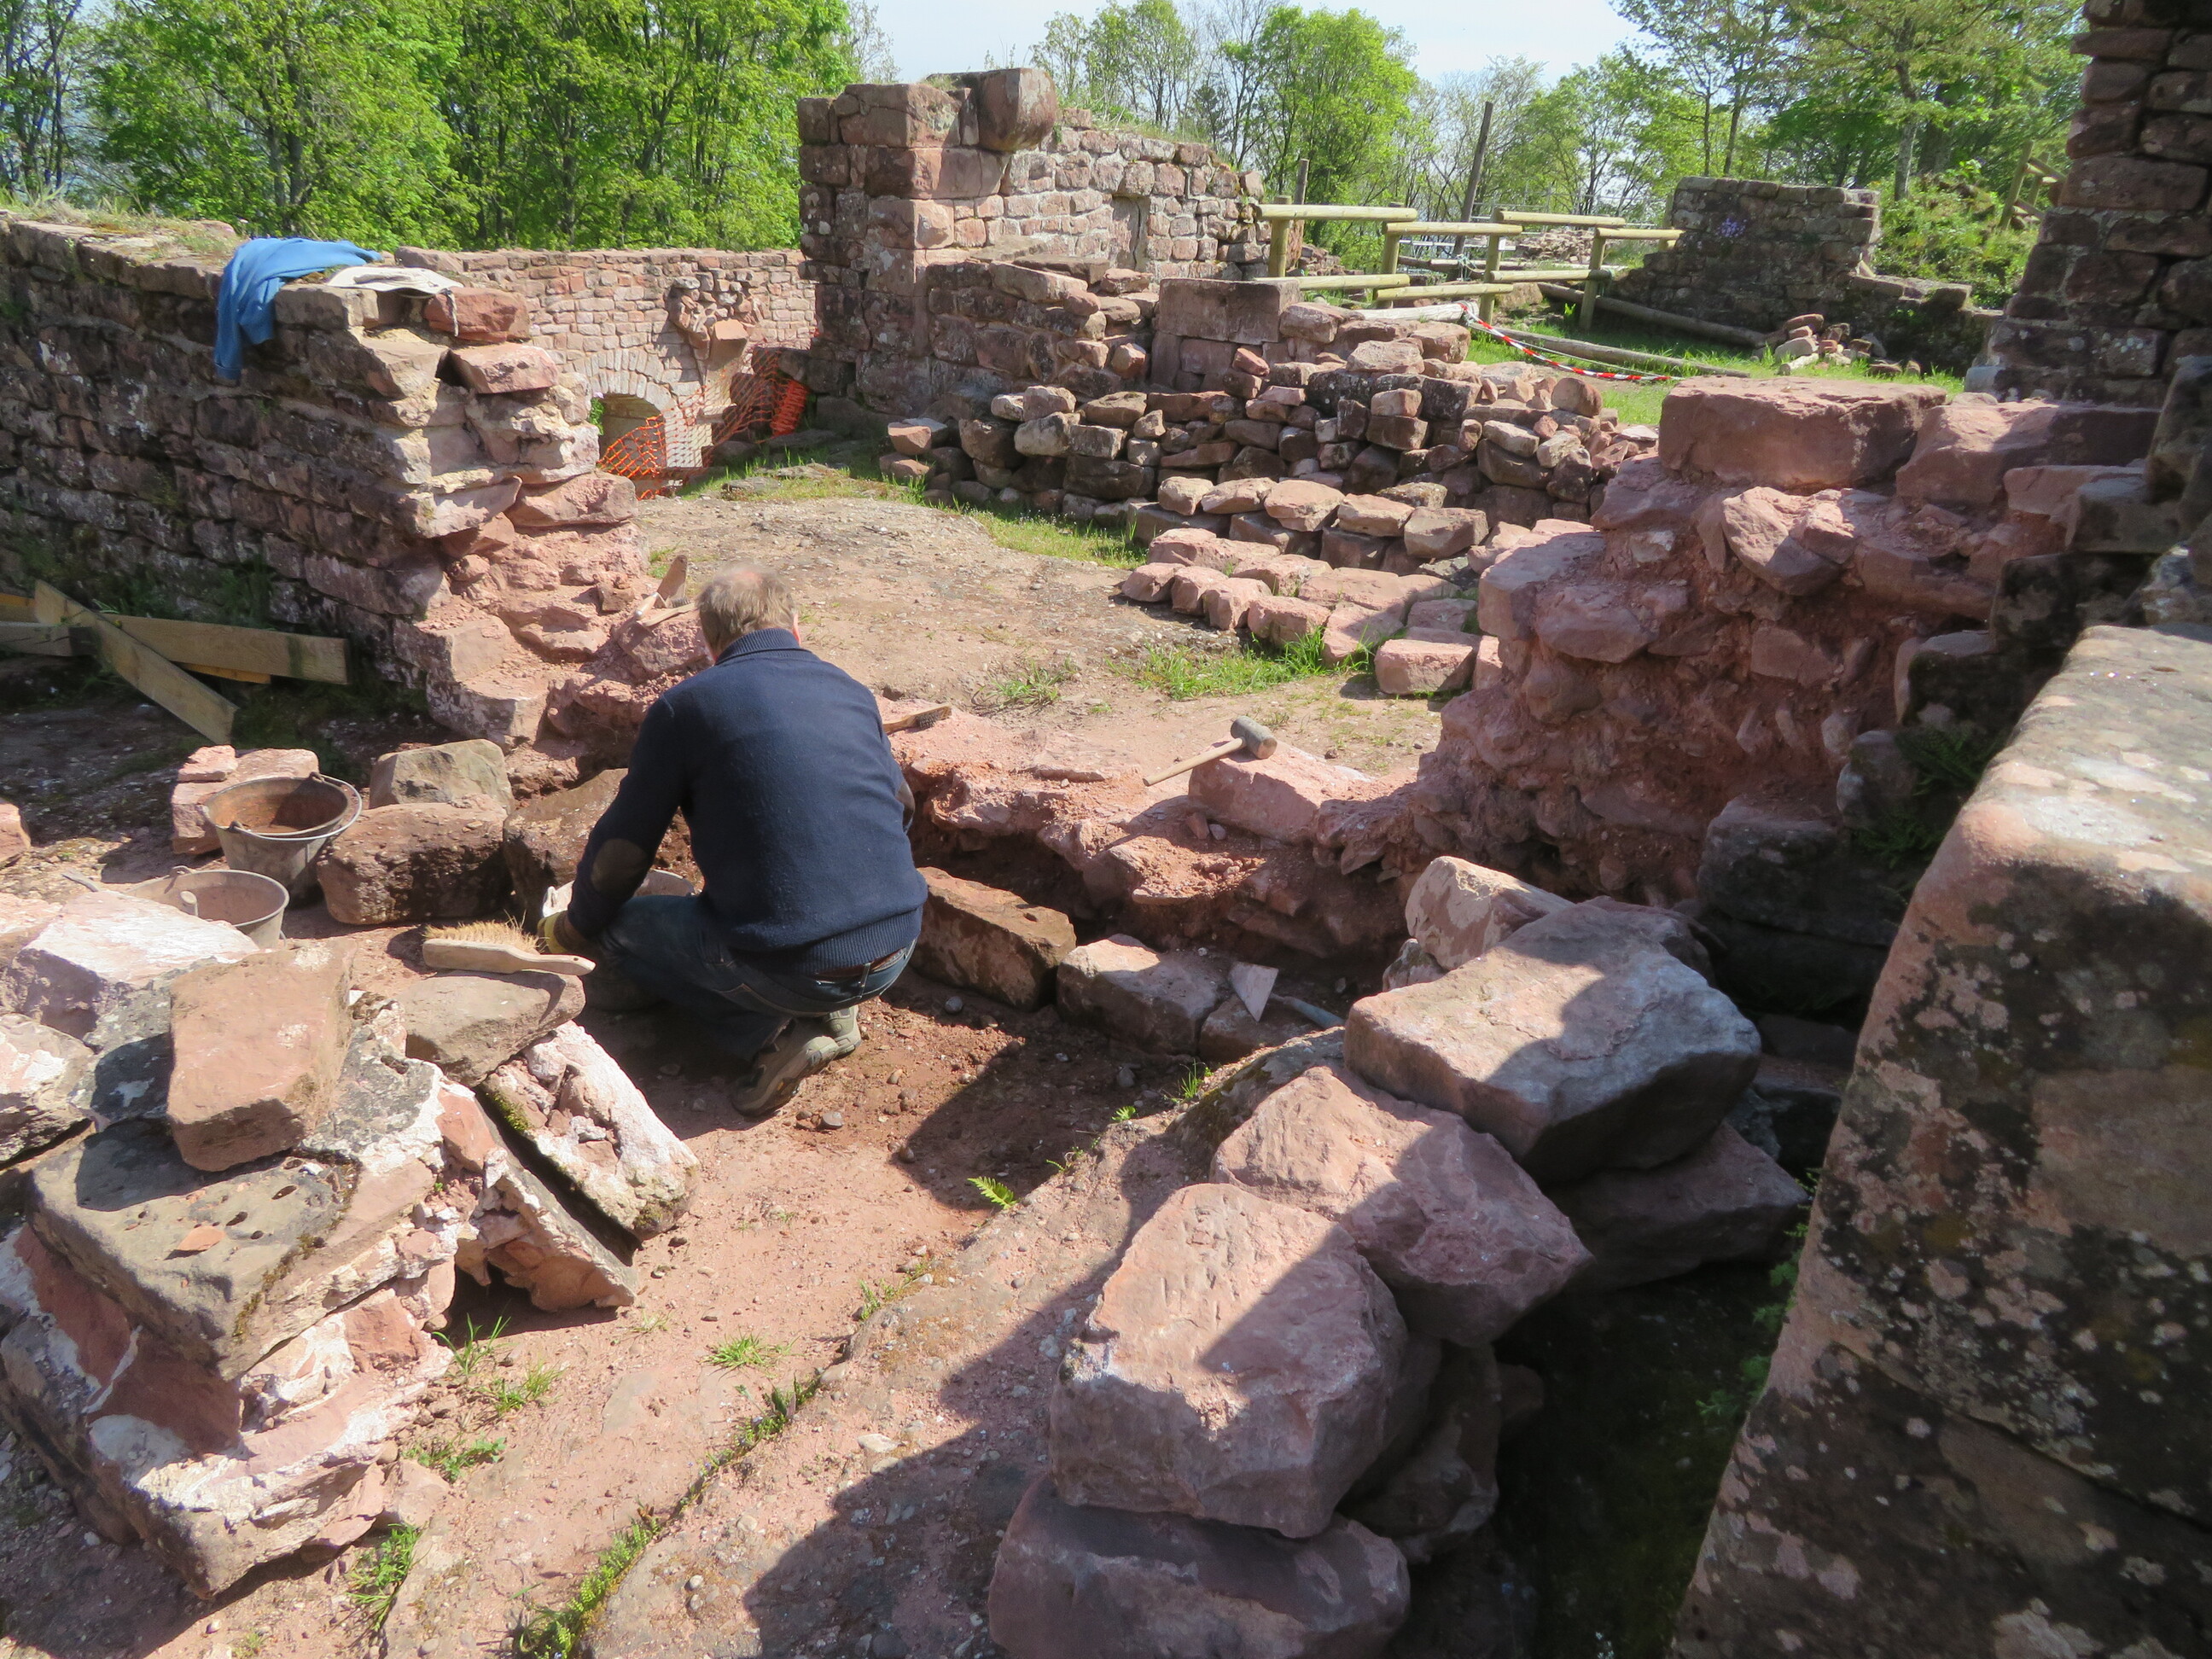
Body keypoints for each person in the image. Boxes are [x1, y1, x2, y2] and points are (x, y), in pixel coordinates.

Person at [542, 567, 925, 1116]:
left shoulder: (685, 708)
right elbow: (901, 807)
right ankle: (834, 1002)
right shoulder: (849, 689)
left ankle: (767, 1037)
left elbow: (625, 850)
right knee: (782, 926)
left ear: (708, 642)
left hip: (791, 969)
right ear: (796, 625)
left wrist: (575, 926)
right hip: (897, 946)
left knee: (620, 931)